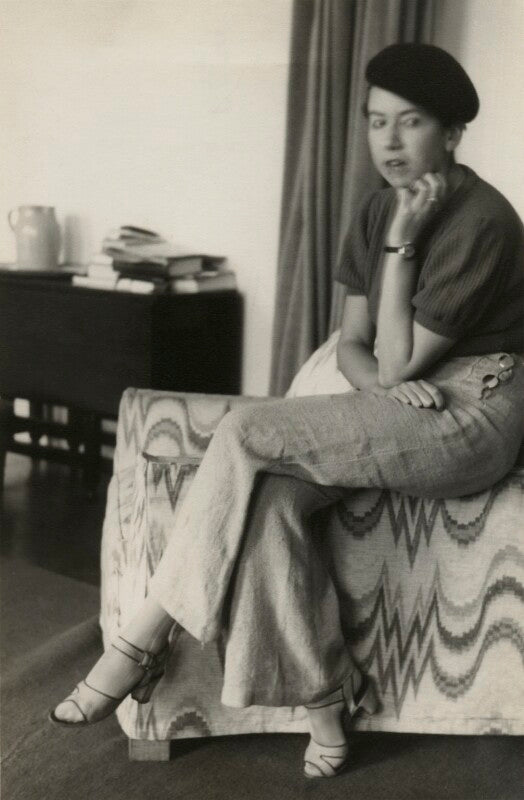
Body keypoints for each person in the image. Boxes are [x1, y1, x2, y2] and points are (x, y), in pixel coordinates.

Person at [50, 44, 524, 779]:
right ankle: (325, 701)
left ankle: (139, 640)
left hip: (471, 413)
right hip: (399, 400)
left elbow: (401, 359)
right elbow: (359, 347)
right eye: (376, 122)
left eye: (411, 122)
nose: (390, 141)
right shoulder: (377, 210)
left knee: (246, 430)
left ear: (454, 133)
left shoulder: (483, 220)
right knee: (269, 497)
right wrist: (381, 386)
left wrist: (402, 249)